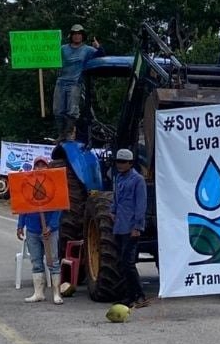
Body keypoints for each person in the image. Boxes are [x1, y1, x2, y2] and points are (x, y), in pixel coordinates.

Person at [17, 157, 63, 304]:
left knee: (53, 261)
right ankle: (39, 293)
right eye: (37, 165)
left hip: (49, 231)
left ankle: (57, 293)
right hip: (32, 230)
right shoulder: (28, 183)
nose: (40, 168)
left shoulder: (53, 185)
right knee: (36, 261)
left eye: (43, 165)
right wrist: (20, 225)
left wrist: (51, 226)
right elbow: (23, 206)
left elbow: (58, 208)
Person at [111, 148, 149, 308]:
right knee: (122, 262)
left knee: (128, 262)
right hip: (119, 226)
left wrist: (137, 227)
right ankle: (129, 295)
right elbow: (115, 198)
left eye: (123, 162)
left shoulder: (138, 180)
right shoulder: (118, 178)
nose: (120, 165)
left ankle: (140, 296)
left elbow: (141, 205)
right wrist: (112, 211)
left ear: (130, 163)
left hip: (131, 227)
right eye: (118, 161)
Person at [53, 24, 104, 138]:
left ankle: (69, 133)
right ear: (71, 36)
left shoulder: (87, 50)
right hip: (61, 82)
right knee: (58, 111)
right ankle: (61, 135)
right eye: (74, 34)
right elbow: (50, 58)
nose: (77, 36)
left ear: (82, 36)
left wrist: (98, 47)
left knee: (72, 111)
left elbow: (101, 56)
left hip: (75, 83)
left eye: (79, 34)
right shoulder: (63, 49)